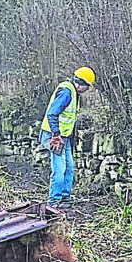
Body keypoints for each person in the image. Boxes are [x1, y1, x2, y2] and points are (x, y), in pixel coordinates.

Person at [38, 66, 94, 204]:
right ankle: (54, 200)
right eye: (87, 87)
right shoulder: (66, 92)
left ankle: (65, 196)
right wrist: (56, 134)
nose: (87, 90)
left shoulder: (73, 93)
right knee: (59, 168)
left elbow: (69, 117)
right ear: (81, 83)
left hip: (65, 136)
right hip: (55, 135)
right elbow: (52, 113)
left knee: (69, 167)